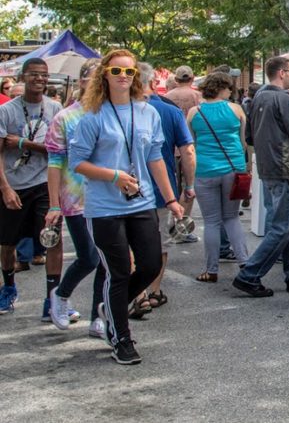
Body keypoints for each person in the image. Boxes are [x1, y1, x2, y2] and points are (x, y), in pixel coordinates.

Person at [68, 49, 184, 365]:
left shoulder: (147, 112)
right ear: (104, 74)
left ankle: (112, 306)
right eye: (116, 71)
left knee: (148, 266)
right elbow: (77, 162)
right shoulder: (93, 115)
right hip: (104, 207)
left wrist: (171, 198)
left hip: (142, 201)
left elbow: (156, 158)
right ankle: (121, 338)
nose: (123, 77)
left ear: (136, 77)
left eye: (128, 72)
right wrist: (114, 175)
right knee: (119, 272)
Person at [233, 55, 289, 298]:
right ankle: (250, 274)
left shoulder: (258, 97)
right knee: (283, 226)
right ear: (282, 73)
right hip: (284, 166)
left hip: (268, 166)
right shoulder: (282, 99)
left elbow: (251, 136)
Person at [0, 58, 63, 318]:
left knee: (52, 240)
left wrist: (24, 142)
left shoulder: (56, 108)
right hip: (14, 184)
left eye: (44, 75)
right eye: (34, 74)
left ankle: (53, 299)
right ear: (23, 77)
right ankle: (9, 288)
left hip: (44, 184)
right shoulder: (7, 111)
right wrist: (5, 188)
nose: (40, 79)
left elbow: (59, 150)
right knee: (7, 243)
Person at [133, 62, 196, 314]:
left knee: (131, 244)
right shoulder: (169, 112)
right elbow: (188, 151)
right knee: (159, 242)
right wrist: (189, 185)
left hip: (127, 189)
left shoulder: (117, 110)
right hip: (162, 188)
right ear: (151, 83)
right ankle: (155, 290)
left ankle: (139, 294)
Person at [44, 59, 101, 332]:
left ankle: (98, 317)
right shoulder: (65, 118)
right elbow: (54, 164)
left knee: (107, 260)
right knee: (89, 257)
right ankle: (61, 294)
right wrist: (54, 205)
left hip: (108, 199)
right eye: (94, 77)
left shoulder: (113, 114)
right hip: (75, 199)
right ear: (82, 82)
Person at [187, 71, 250, 282]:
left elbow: (193, 144)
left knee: (212, 221)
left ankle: (211, 270)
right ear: (223, 88)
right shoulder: (236, 109)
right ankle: (244, 263)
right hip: (233, 169)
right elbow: (242, 143)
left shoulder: (194, 113)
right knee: (232, 218)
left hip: (205, 169)